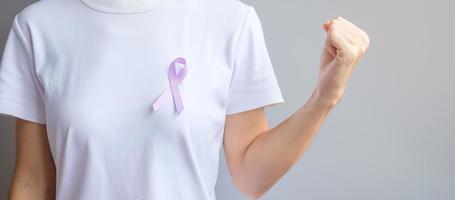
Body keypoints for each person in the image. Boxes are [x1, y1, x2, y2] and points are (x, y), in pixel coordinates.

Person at [0, 0, 369, 199]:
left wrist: (324, 97)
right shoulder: (38, 25)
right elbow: (34, 183)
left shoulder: (229, 20)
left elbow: (251, 178)